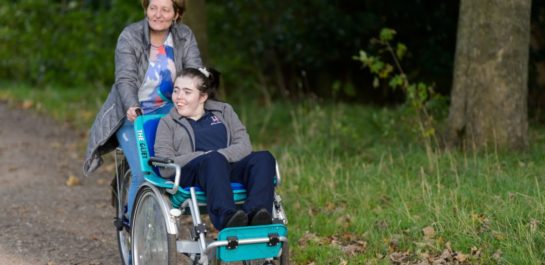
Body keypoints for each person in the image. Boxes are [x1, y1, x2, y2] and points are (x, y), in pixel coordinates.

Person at [83, 0, 203, 222]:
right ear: (146, 9)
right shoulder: (130, 36)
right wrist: (132, 105)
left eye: (165, 9)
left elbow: (194, 73)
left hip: (169, 112)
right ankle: (132, 222)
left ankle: (176, 212)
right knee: (143, 172)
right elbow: (125, 78)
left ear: (176, 14)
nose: (157, 14)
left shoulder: (184, 36)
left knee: (185, 162)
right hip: (131, 116)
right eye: (153, 8)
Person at [154, 67, 275, 230]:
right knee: (213, 160)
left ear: (202, 96)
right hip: (193, 173)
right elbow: (165, 166)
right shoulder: (168, 122)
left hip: (227, 166)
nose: (179, 97)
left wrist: (219, 156)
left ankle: (256, 214)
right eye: (176, 91)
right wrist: (204, 156)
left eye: (187, 92)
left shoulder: (224, 111)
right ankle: (227, 217)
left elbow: (244, 145)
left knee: (264, 157)